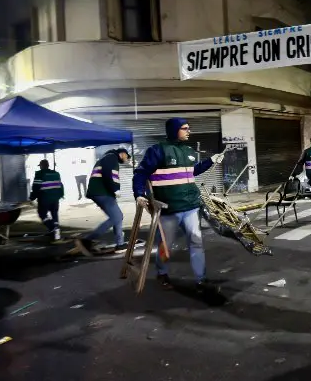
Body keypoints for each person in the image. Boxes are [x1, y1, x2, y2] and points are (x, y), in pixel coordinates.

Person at [132, 117, 224, 293]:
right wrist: (139, 194)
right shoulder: (157, 151)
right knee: (165, 246)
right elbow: (141, 173)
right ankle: (162, 273)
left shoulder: (188, 151)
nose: (189, 131)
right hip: (169, 209)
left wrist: (211, 160)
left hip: (191, 206)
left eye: (189, 128)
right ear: (174, 130)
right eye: (185, 128)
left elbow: (193, 171)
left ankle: (201, 279)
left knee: (196, 242)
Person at [75, 148, 131, 255]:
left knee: (118, 216)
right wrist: (115, 188)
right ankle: (87, 240)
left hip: (102, 192)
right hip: (101, 192)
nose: (127, 159)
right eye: (127, 157)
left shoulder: (108, 158)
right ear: (122, 153)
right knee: (116, 217)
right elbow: (108, 172)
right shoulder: (111, 157)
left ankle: (120, 243)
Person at [29, 159, 64, 240]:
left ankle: (52, 228)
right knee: (54, 214)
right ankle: (57, 231)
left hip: (44, 199)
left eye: (40, 166)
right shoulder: (56, 173)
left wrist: (31, 197)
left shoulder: (39, 174)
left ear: (42, 166)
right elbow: (61, 185)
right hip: (55, 199)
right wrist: (60, 195)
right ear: (48, 165)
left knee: (42, 214)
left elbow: (36, 188)